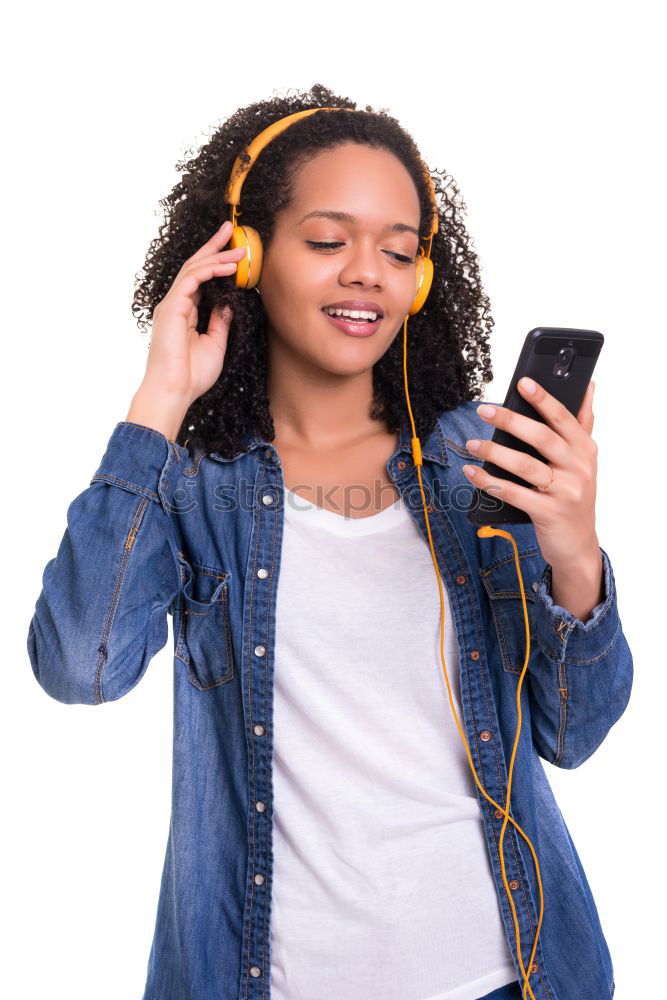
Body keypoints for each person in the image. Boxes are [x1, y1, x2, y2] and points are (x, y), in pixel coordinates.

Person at [27, 84, 632, 1000]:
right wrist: (159, 404)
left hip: (514, 976)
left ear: (423, 278)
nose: (368, 273)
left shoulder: (477, 460)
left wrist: (574, 552)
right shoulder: (192, 480)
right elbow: (81, 664)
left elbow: (572, 733)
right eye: (325, 241)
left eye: (399, 251)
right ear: (249, 256)